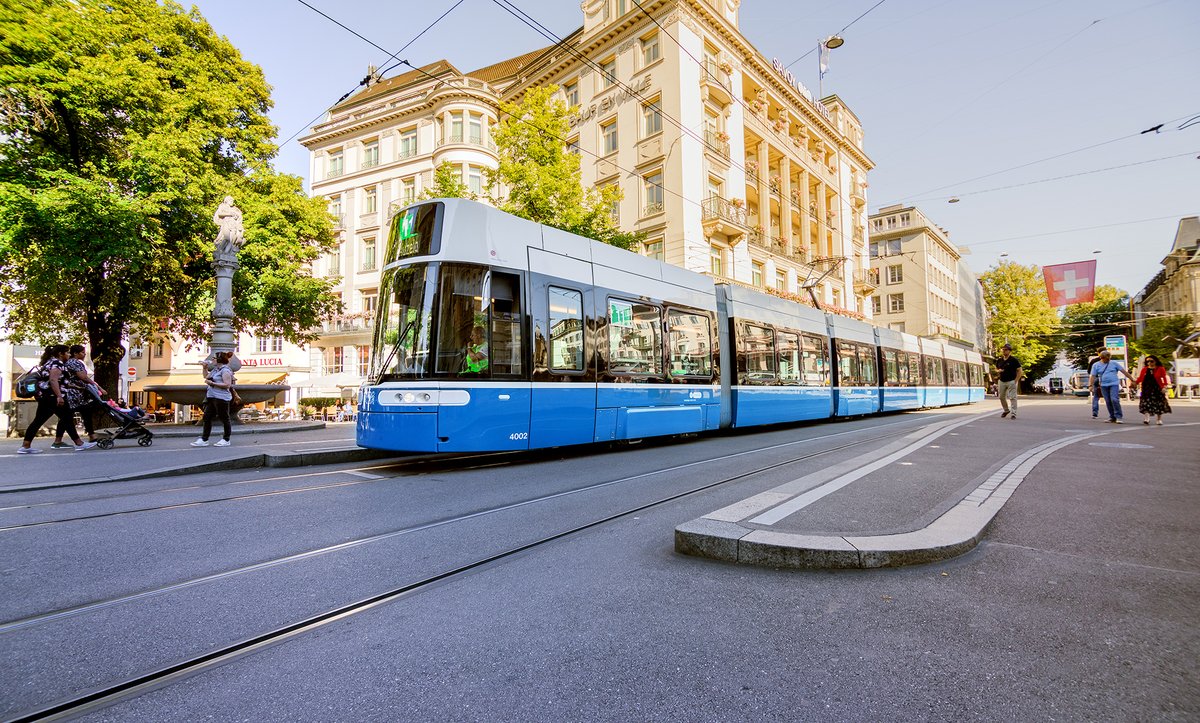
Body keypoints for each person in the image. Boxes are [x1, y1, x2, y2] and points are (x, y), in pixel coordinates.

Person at [18, 345, 97, 454]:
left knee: (39, 421)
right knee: (67, 418)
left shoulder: (49, 363)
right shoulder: (57, 363)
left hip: (45, 396)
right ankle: (79, 443)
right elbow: (53, 380)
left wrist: (77, 387)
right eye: (67, 353)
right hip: (53, 397)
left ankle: (25, 446)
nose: (69, 355)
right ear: (61, 354)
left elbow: (60, 381)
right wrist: (59, 396)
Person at [51, 345, 106, 448]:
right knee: (80, 412)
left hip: (71, 392)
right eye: (82, 352)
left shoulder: (67, 362)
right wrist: (97, 386)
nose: (84, 354)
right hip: (75, 393)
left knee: (67, 416)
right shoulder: (75, 362)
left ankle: (58, 440)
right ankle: (90, 435)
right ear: (75, 353)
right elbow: (83, 376)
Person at [191, 352, 234, 447]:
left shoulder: (225, 371)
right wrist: (205, 368)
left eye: (214, 358)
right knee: (206, 417)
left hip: (221, 397)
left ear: (219, 360)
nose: (213, 360)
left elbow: (227, 385)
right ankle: (204, 439)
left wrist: (212, 384)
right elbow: (206, 376)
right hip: (211, 397)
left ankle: (226, 439)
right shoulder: (215, 370)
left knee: (224, 418)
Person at [1088, 349, 1136, 424]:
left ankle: (1118, 416)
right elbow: (1093, 376)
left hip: (1114, 384)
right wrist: (1090, 385)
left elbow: (1124, 372)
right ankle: (1112, 417)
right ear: (1101, 358)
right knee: (1108, 401)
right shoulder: (1096, 365)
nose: (1107, 360)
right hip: (1103, 385)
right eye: (1106, 359)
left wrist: (1132, 379)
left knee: (1114, 399)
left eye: (1109, 358)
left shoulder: (1114, 363)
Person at [1134, 355, 1172, 425]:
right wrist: (1134, 383)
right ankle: (1147, 418)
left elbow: (1164, 378)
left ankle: (1159, 419)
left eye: (1151, 361)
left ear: (1155, 361)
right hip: (1146, 388)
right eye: (1147, 361)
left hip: (1157, 388)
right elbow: (1140, 378)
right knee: (1145, 402)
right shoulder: (1144, 369)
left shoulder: (1160, 368)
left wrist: (1164, 387)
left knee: (1158, 403)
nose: (1149, 363)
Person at [993, 343, 1023, 420]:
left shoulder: (1014, 360)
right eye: (1003, 349)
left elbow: (1019, 371)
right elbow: (996, 369)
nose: (1004, 351)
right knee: (1001, 397)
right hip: (1002, 381)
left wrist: (1016, 380)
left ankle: (1013, 413)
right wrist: (998, 370)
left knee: (1012, 397)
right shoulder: (999, 360)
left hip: (1011, 381)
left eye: (1005, 350)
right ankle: (1006, 410)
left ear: (1009, 351)